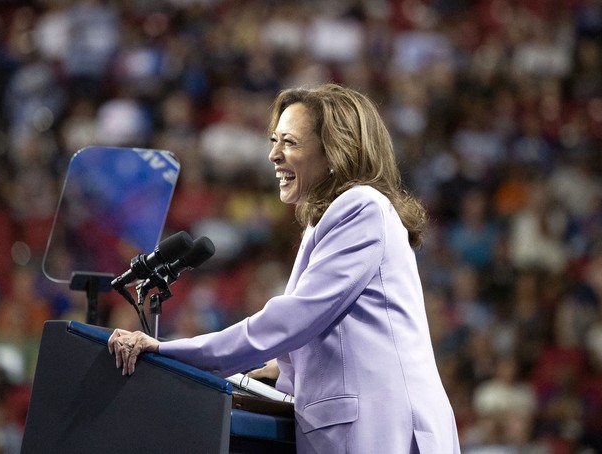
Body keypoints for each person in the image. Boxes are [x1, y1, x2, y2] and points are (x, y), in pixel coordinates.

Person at [108, 84, 461, 453]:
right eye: (274, 140)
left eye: (289, 142)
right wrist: (279, 369)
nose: (274, 155)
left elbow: (294, 318)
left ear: (335, 151)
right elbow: (336, 332)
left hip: (384, 429)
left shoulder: (361, 206)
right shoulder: (326, 220)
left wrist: (175, 352)